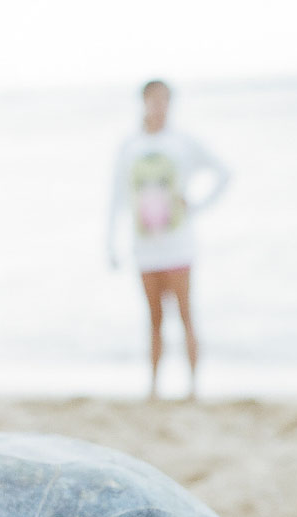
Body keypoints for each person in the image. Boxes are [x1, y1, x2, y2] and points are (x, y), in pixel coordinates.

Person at [107, 80, 229, 399]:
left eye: (164, 100)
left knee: (186, 315)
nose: (158, 106)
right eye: (152, 99)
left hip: (179, 246)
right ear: (143, 102)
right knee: (154, 320)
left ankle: (193, 387)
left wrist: (196, 205)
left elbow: (223, 173)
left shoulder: (182, 142)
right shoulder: (130, 146)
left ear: (171, 103)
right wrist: (110, 243)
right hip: (144, 248)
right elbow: (117, 197)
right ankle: (154, 388)